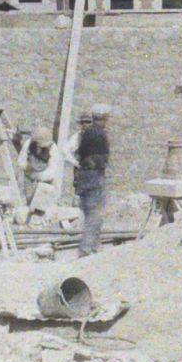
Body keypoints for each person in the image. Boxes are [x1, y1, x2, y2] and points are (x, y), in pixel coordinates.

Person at [68, 104, 113, 257]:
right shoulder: (99, 134)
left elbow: (77, 153)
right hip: (94, 176)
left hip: (83, 177)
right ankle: (87, 249)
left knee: (91, 213)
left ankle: (95, 246)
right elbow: (102, 157)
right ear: (104, 119)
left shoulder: (84, 134)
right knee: (94, 213)